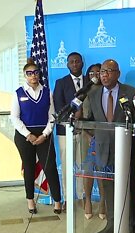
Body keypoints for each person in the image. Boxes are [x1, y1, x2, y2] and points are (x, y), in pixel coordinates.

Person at [86, 59, 135, 233]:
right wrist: (97, 136)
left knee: (128, 188)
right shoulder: (92, 94)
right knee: (107, 188)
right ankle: (111, 224)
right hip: (103, 149)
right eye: (101, 71)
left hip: (126, 149)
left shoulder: (132, 93)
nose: (104, 75)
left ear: (118, 73)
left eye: (109, 71)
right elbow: (88, 121)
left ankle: (131, 228)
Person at [10, 59, 62, 215]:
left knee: (50, 167)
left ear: (39, 74)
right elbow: (14, 117)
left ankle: (57, 200)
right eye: (29, 73)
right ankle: (30, 200)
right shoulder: (18, 93)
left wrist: (45, 134)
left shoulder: (47, 92)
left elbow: (52, 116)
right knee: (29, 167)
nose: (33, 76)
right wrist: (29, 135)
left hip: (44, 135)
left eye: (36, 72)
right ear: (25, 75)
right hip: (24, 136)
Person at [53, 52, 88, 211]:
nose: (75, 64)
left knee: (82, 165)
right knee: (67, 166)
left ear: (82, 63)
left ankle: (82, 196)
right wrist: (74, 116)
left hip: (86, 131)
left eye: (77, 61)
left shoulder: (90, 81)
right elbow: (59, 107)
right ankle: (68, 198)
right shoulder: (61, 83)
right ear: (67, 65)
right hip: (65, 131)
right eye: (71, 62)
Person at [81, 63, 106, 220]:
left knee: (103, 171)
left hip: (104, 137)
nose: (95, 75)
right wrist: (88, 135)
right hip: (87, 136)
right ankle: (88, 200)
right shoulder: (84, 94)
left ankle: (103, 202)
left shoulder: (109, 92)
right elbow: (82, 118)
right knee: (88, 170)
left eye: (99, 72)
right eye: (92, 73)